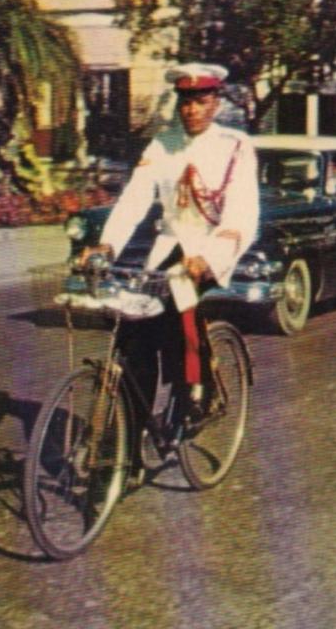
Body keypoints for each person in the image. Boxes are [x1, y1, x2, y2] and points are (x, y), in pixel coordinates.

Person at [79, 62, 260, 438]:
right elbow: (133, 200)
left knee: (179, 302)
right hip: (168, 246)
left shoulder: (235, 146)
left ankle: (198, 391)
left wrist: (209, 259)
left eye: (201, 100)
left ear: (215, 102)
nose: (192, 110)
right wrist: (106, 245)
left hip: (211, 247)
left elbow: (243, 213)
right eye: (185, 101)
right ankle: (131, 433)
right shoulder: (162, 145)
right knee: (134, 332)